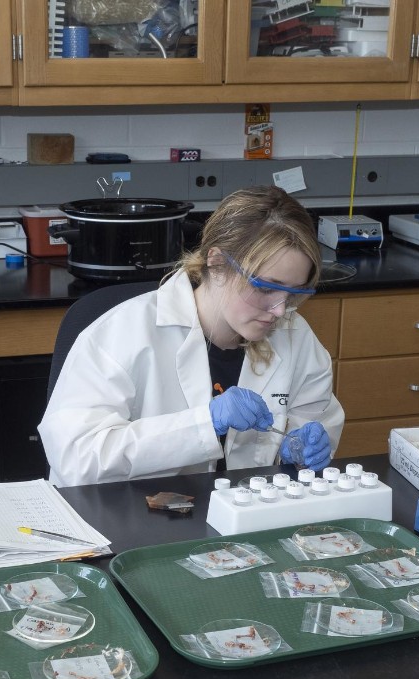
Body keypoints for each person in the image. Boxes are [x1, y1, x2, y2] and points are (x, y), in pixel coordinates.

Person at [40, 185, 344, 487]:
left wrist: (300, 451)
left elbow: (317, 421)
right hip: (131, 520)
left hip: (244, 516)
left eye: (293, 294)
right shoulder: (122, 333)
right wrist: (203, 424)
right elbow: (75, 458)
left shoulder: (295, 335)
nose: (279, 311)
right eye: (265, 288)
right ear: (217, 262)